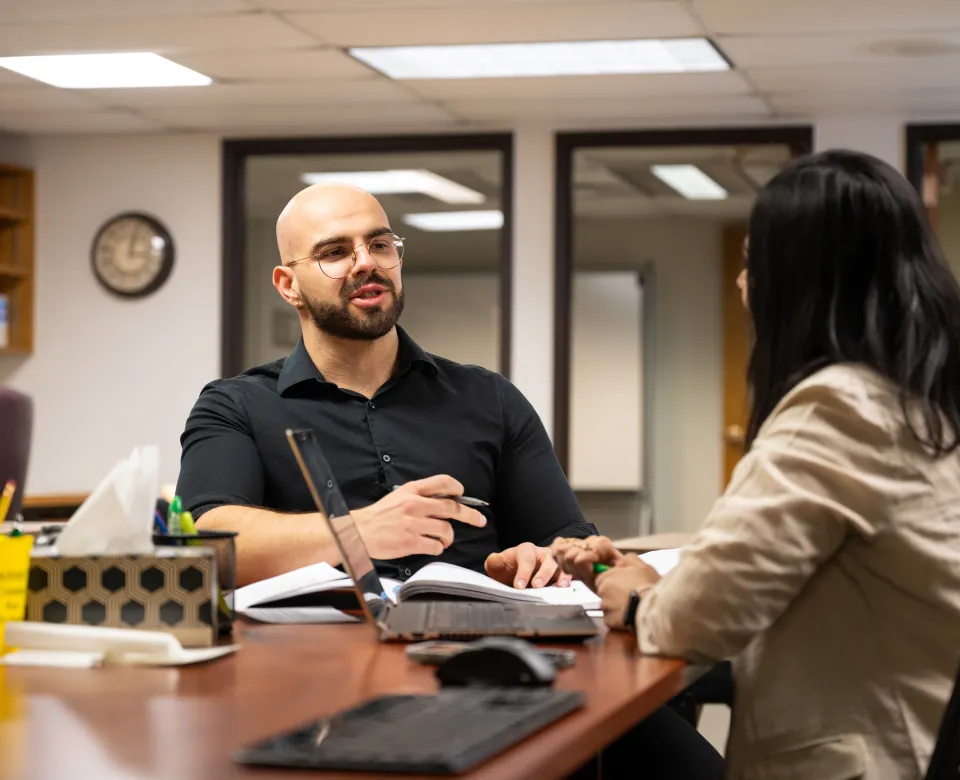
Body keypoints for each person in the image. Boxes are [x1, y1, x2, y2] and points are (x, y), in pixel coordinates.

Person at [554, 149, 960, 779]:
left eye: (752, 263)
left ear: (798, 279)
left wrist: (632, 594)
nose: (742, 284)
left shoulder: (837, 410)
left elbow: (692, 626)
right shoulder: (919, 400)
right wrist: (663, 586)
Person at [177, 183, 595, 587]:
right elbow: (204, 544)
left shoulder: (491, 398)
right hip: (310, 652)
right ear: (289, 286)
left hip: (470, 646)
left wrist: (542, 561)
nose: (366, 263)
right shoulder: (236, 405)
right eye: (335, 252)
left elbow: (569, 543)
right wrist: (357, 530)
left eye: (379, 245)